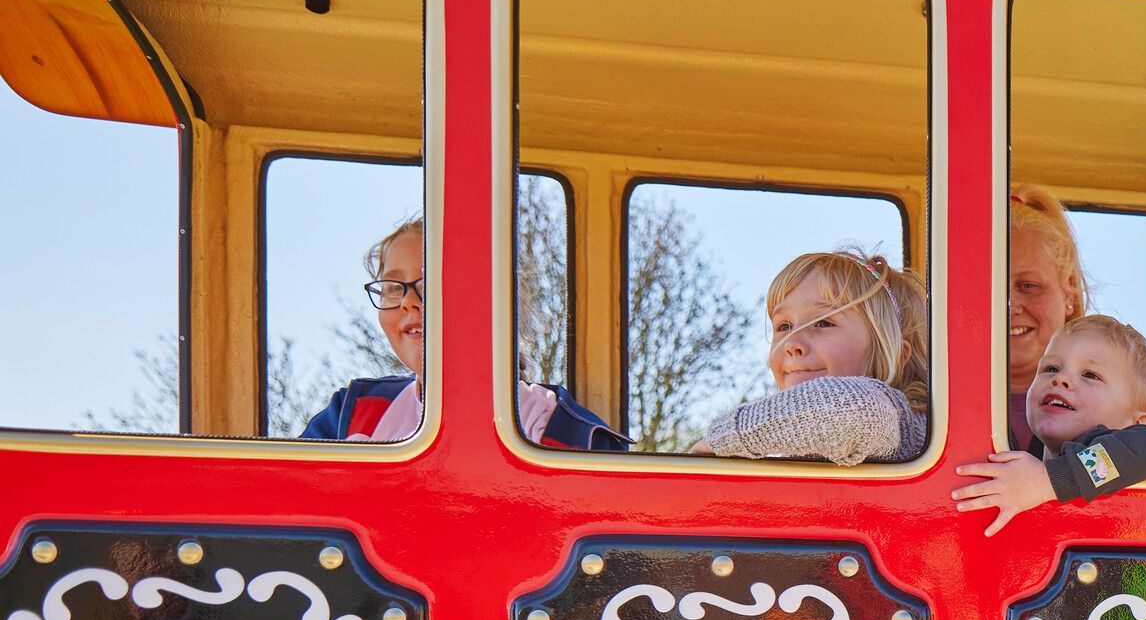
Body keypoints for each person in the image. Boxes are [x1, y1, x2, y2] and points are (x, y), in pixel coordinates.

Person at [298, 217, 622, 450]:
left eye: (430, 283)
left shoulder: (562, 428)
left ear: (492, 301)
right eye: (393, 288)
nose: (409, 302)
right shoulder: (351, 415)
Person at [1001, 185, 1146, 475]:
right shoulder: (939, 398)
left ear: (1068, 291)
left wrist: (1053, 480)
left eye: (1028, 286)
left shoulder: (1140, 385)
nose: (1008, 306)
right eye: (988, 286)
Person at [952, 314, 1146, 535]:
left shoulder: (1131, 450)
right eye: (1051, 368)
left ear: (1137, 423)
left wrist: (1047, 480)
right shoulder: (1023, 474)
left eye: (1090, 375)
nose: (1060, 379)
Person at [701, 250, 931, 463]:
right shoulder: (794, 439)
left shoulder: (900, 420)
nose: (791, 343)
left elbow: (857, 408)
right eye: (784, 326)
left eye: (823, 323)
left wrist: (724, 437)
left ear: (896, 354)